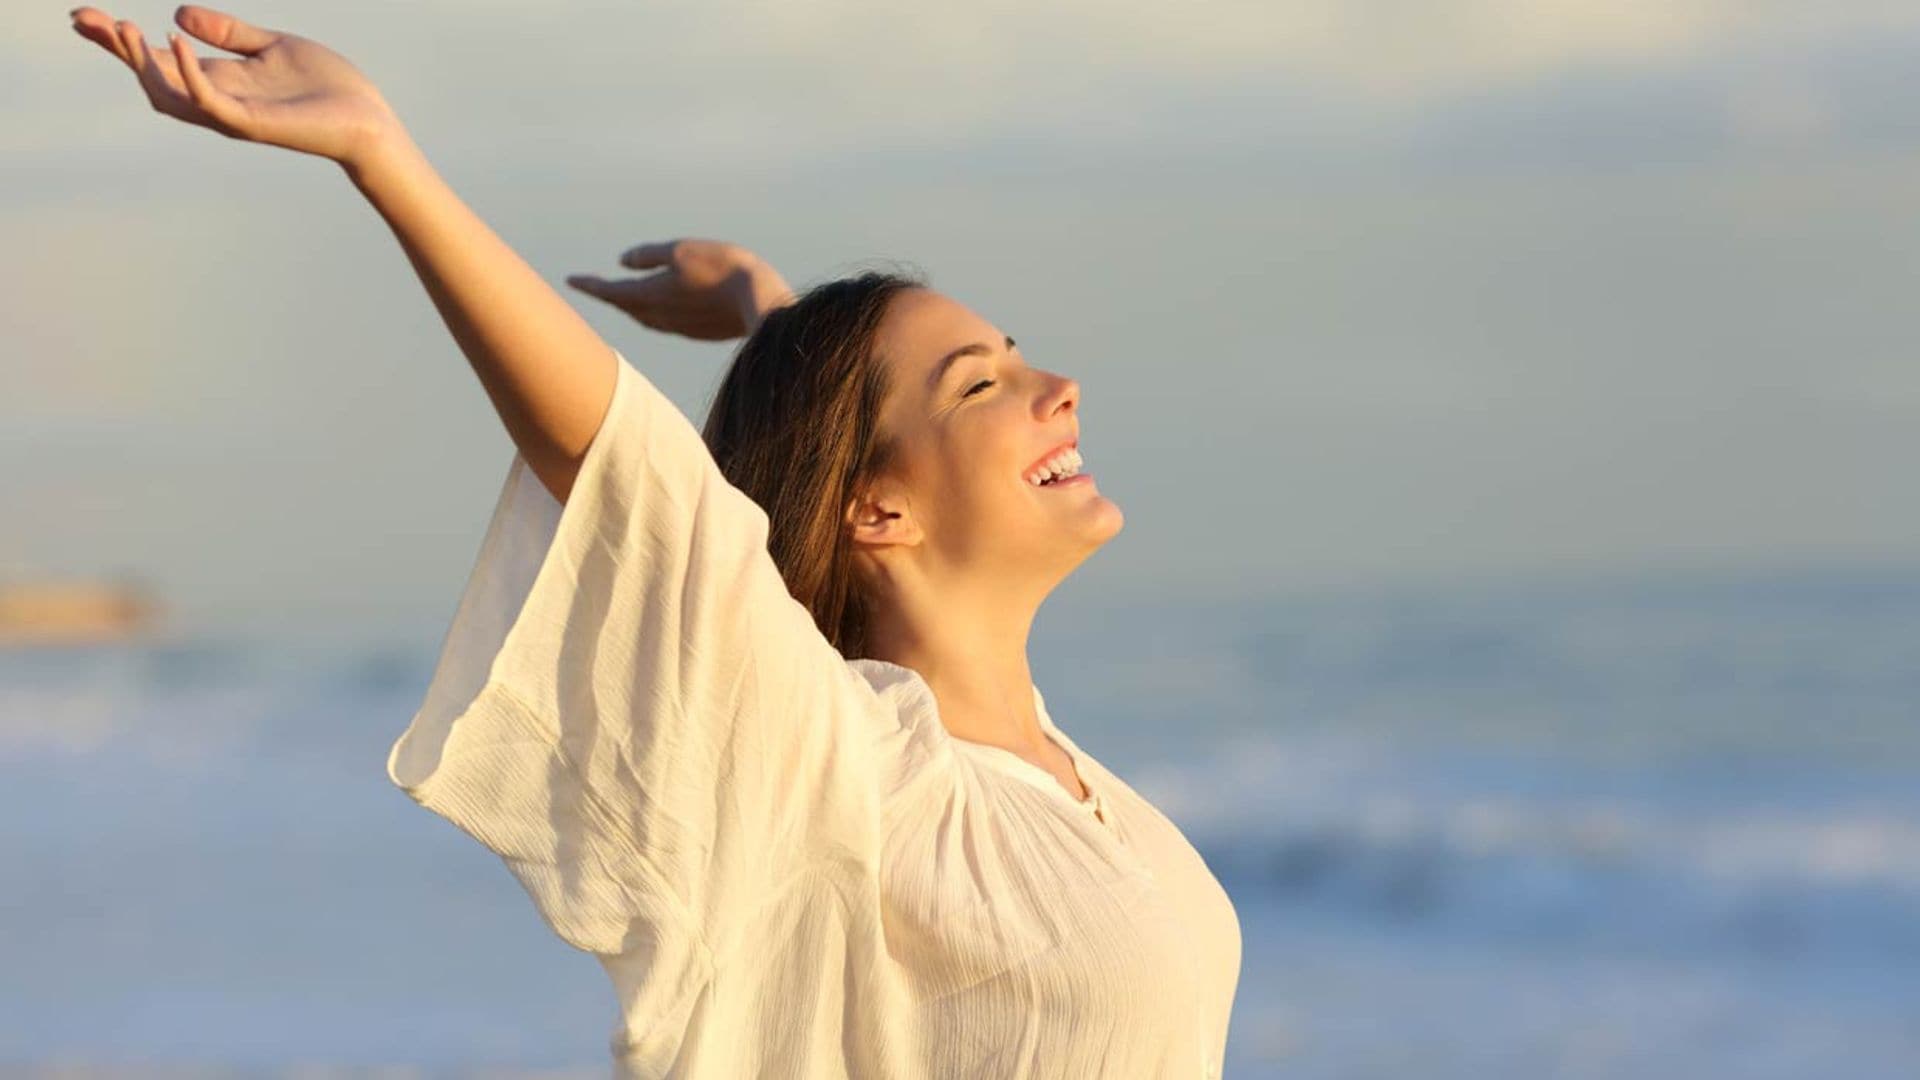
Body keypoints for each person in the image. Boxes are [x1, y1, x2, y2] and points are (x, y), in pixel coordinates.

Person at [70, 6, 1243, 1076]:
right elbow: (616, 460)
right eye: (987, 382)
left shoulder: (1052, 770)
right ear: (876, 512)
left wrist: (765, 312)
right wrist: (384, 158)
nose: (1063, 387)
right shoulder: (847, 769)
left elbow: (829, 449)